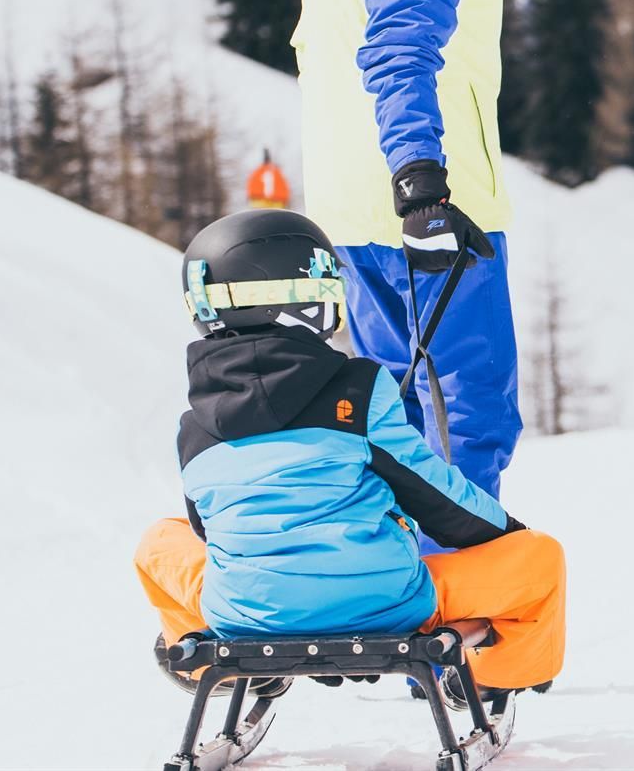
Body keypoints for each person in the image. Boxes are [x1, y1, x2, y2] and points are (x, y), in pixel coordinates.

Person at [133, 208, 566, 700]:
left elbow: (207, 531)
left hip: (248, 615)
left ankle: (219, 668)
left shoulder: (195, 427)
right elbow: (437, 497)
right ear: (306, 297)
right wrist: (506, 533)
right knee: (540, 558)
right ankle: (493, 678)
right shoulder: (359, 391)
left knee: (158, 543)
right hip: (382, 604)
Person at [291, 0, 551, 497]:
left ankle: (401, 566)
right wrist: (422, 188)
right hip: (431, 215)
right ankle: (462, 572)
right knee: (469, 415)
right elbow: (399, 51)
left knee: (394, 416)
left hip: (355, 213)